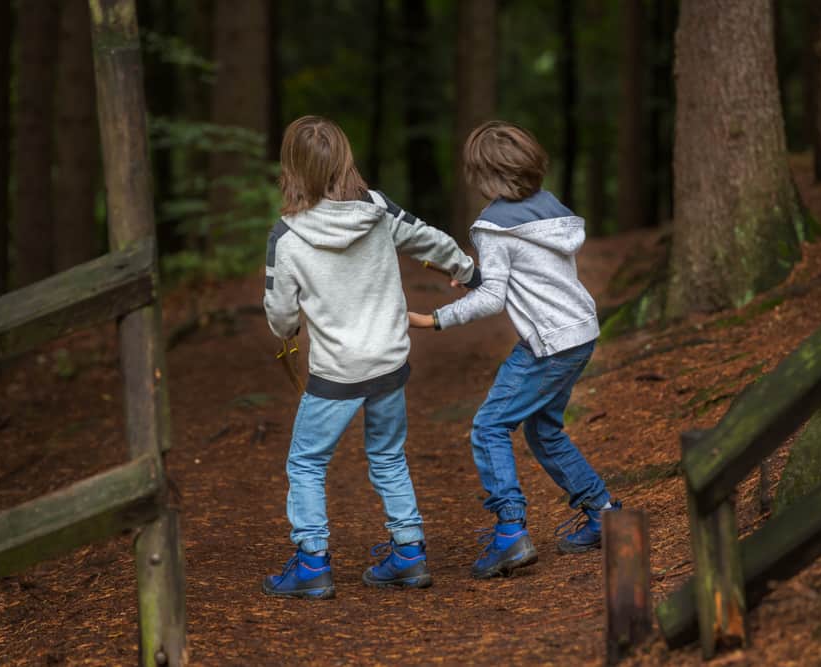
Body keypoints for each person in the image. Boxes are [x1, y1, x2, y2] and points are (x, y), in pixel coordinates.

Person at [262, 115, 481, 599]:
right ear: (345, 160)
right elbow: (429, 238)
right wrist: (466, 271)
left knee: (306, 464)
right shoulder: (378, 211)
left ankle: (312, 563)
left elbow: (279, 312)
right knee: (386, 455)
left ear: (292, 169)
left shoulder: (288, 236)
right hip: (388, 363)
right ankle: (408, 552)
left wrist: (290, 332)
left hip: (335, 373)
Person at [408, 120, 620, 579]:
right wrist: (477, 276)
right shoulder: (551, 214)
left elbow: (493, 299)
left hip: (548, 344)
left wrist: (435, 319)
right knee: (544, 431)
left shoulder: (494, 228)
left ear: (485, 176)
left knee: (489, 427)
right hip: (581, 331)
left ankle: (510, 532)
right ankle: (604, 513)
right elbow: (529, 275)